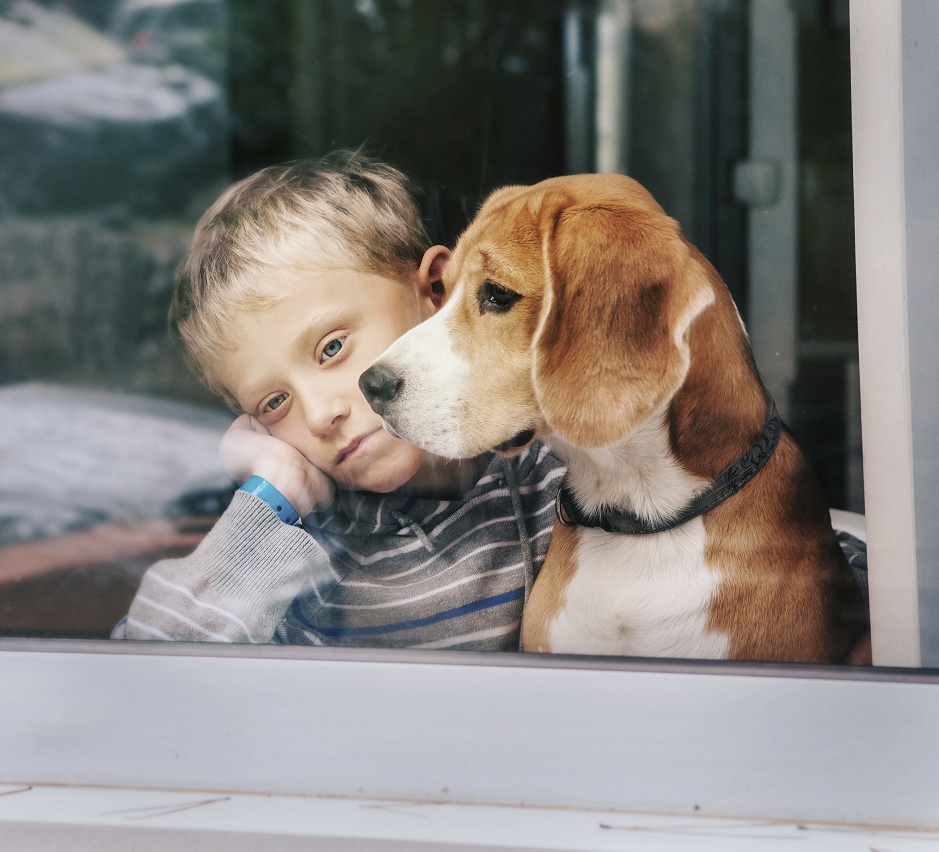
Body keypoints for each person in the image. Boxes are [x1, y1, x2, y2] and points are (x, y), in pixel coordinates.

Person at [112, 150, 868, 654]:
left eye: (333, 349)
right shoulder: (301, 543)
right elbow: (141, 667)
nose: (322, 412)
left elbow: (734, 521)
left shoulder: (543, 486)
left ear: (435, 291)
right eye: (272, 403)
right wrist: (268, 500)